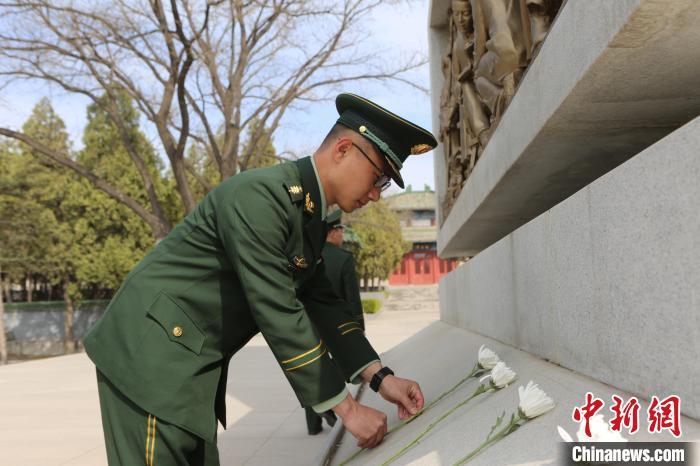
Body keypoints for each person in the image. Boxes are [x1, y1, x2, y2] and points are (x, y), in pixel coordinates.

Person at [83, 93, 437, 465]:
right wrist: (347, 410)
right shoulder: (260, 198)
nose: (376, 195)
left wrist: (381, 378)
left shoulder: (306, 215)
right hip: (151, 358)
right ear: (344, 149)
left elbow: (324, 305)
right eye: (378, 176)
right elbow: (278, 309)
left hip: (187, 365)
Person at [305, 209, 364, 435]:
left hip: (308, 324)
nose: (343, 235)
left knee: (312, 367)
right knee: (334, 367)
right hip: (336, 325)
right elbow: (352, 299)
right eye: (341, 230)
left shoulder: (310, 255)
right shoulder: (343, 259)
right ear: (333, 232)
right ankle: (330, 407)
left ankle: (313, 424)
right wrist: (358, 327)